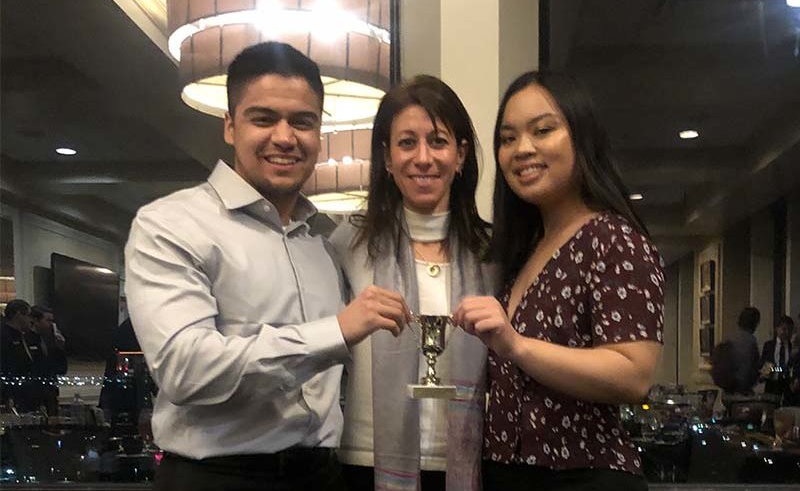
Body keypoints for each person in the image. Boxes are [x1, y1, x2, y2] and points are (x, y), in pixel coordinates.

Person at [125, 41, 408, 491]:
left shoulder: (324, 242)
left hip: (323, 474)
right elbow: (185, 369)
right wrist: (334, 331)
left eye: (303, 122)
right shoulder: (171, 224)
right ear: (230, 126)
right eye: (263, 118)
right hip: (216, 478)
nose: (284, 137)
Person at [453, 71, 664, 491]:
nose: (522, 149)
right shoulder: (523, 250)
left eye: (543, 130)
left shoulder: (613, 238)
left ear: (581, 137)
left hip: (583, 475)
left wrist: (516, 345)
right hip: (508, 473)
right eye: (508, 138)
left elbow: (632, 373)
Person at [330, 75, 496, 491]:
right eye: (407, 143)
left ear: (460, 156)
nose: (423, 158)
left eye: (438, 142)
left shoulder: (494, 252)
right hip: (366, 460)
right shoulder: (348, 242)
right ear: (386, 158)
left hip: (472, 462)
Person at [0, 299, 46, 412]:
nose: (30, 320)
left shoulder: (28, 337)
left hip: (29, 391)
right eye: (28, 315)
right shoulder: (4, 336)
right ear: (18, 314)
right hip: (11, 391)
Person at [30, 305, 67, 414]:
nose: (51, 324)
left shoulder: (49, 340)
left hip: (50, 390)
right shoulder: (29, 339)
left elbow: (61, 369)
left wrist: (60, 349)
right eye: (48, 320)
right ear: (36, 320)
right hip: (35, 391)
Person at [760, 315, 794, 396]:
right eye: (784, 329)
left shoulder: (792, 347)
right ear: (777, 329)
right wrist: (780, 369)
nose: (787, 333)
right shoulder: (769, 346)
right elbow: (765, 367)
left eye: (790, 330)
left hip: (788, 386)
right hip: (772, 385)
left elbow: (792, 368)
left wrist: (775, 369)